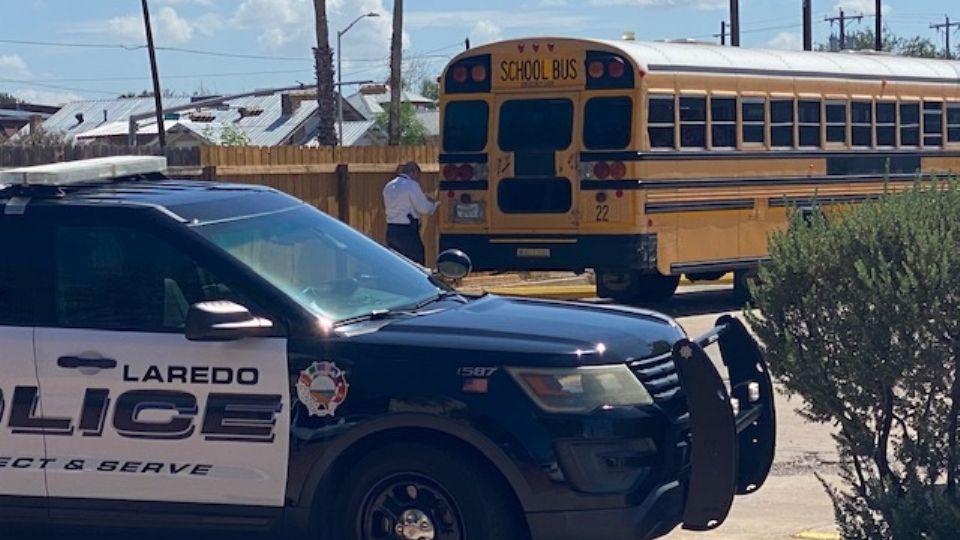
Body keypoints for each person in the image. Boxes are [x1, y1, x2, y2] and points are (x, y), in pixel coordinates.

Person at [382, 161, 438, 265]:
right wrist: (434, 205)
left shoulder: (388, 186)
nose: (418, 179)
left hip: (391, 230)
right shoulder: (411, 185)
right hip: (407, 231)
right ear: (414, 172)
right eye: (418, 176)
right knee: (416, 262)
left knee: (396, 263)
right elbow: (423, 208)